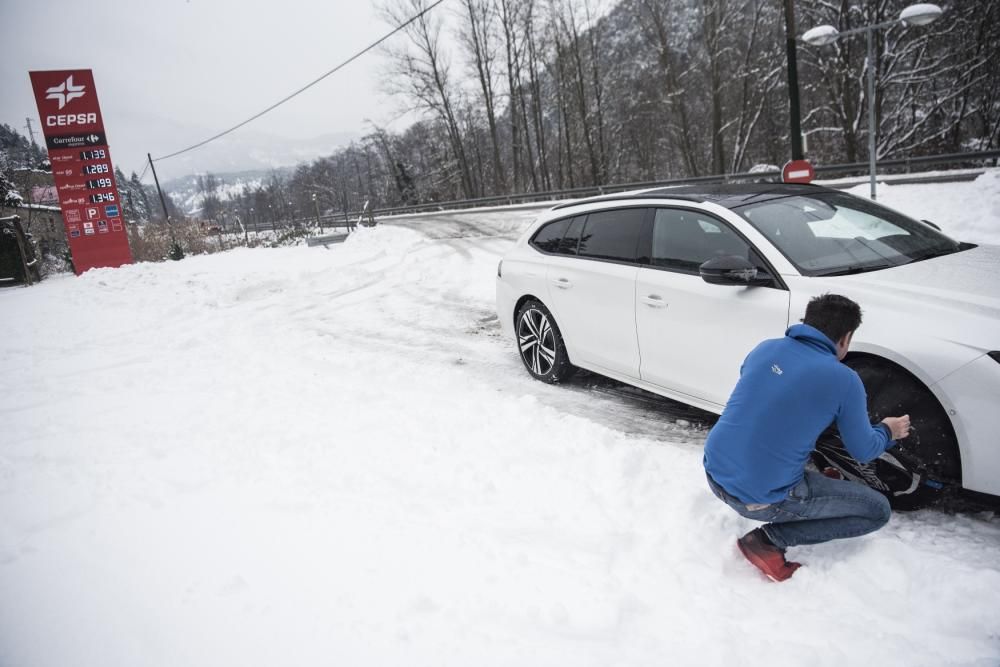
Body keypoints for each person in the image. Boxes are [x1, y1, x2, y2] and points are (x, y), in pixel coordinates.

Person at [703, 293, 911, 582]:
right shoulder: (844, 379)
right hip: (760, 497)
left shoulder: (765, 348)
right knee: (877, 511)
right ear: (845, 338)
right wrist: (889, 430)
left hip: (714, 474)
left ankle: (815, 488)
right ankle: (768, 540)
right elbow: (865, 450)